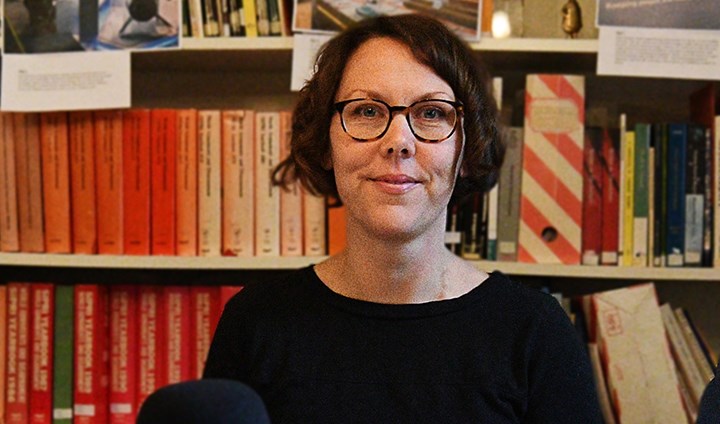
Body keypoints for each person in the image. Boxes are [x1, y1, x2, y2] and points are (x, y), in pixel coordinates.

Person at [203, 13, 602, 423]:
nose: (398, 142)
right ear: (326, 143)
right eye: (367, 111)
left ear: (467, 148)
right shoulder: (256, 323)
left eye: (431, 113)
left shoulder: (536, 333)